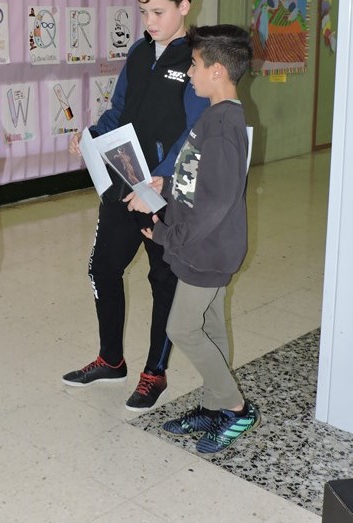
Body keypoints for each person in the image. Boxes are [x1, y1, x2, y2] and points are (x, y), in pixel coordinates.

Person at [62, 0, 209, 410]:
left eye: (158, 11)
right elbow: (119, 111)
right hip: (123, 182)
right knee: (102, 268)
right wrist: (90, 134)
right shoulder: (140, 52)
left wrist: (163, 177)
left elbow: (196, 131)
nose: (149, 22)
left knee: (163, 279)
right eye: (143, 11)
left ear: (184, 5)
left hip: (165, 193)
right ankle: (111, 359)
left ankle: (154, 372)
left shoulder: (197, 60)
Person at [126, 24, 259, 453]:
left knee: (182, 327)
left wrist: (169, 234)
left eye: (195, 65)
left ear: (217, 71)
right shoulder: (215, 115)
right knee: (211, 326)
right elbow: (199, 179)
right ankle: (215, 405)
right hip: (204, 246)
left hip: (207, 249)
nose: (189, 73)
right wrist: (164, 188)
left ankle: (237, 409)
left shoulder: (223, 125)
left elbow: (216, 202)